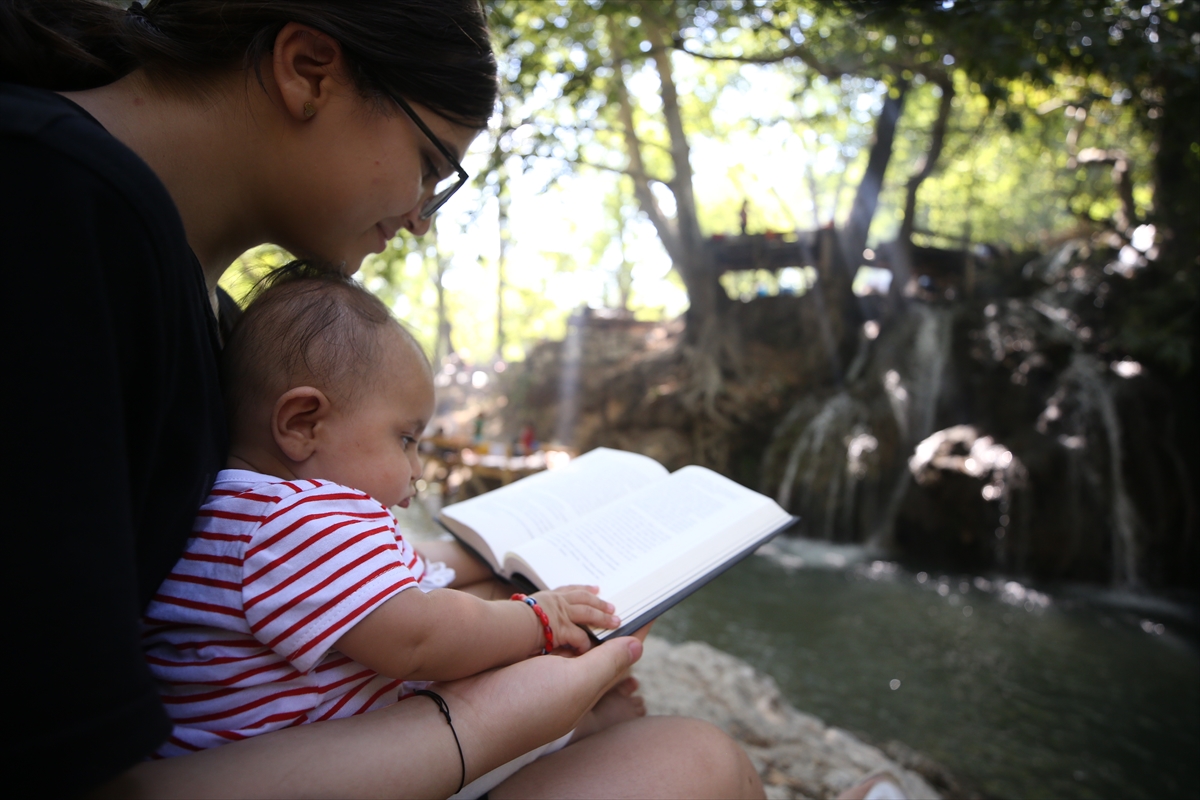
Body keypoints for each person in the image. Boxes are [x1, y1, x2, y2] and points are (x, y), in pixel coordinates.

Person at [3, 1, 764, 797]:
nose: (421, 221)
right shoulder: (47, 206)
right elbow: (65, 767)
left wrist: (462, 569)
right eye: (432, 167)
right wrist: (490, 719)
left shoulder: (199, 299)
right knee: (696, 765)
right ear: (308, 71)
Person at [144, 263, 626, 761]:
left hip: (265, 750)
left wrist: (499, 556)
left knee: (490, 601)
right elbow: (420, 638)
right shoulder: (300, 520)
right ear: (302, 424)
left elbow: (408, 569)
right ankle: (587, 725)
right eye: (405, 439)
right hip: (308, 764)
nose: (417, 468)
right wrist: (541, 617)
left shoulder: (236, 509)